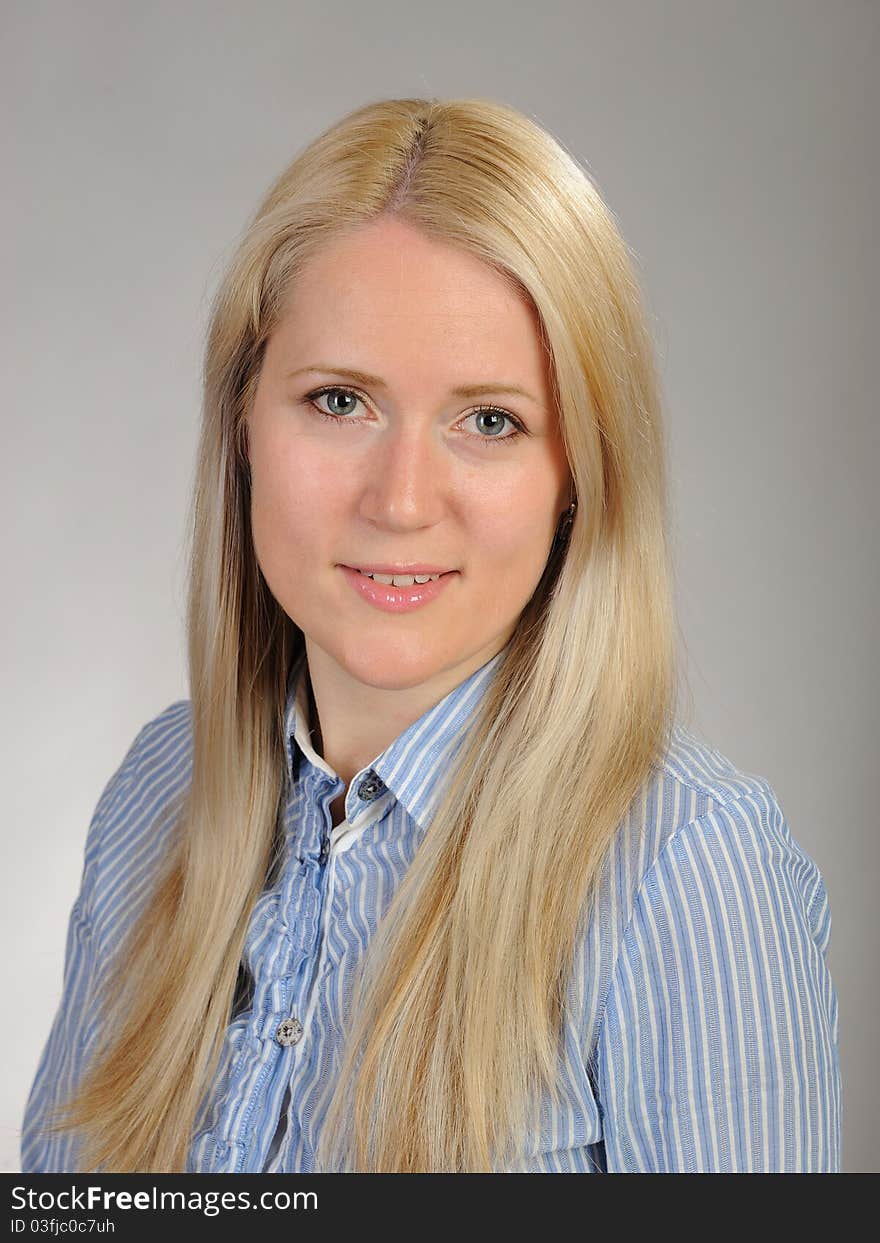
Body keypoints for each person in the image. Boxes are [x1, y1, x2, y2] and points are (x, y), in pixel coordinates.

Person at [20, 96, 840, 1174]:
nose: (401, 500)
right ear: (242, 425)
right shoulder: (152, 798)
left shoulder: (689, 869)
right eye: (338, 401)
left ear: (578, 477)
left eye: (489, 421)